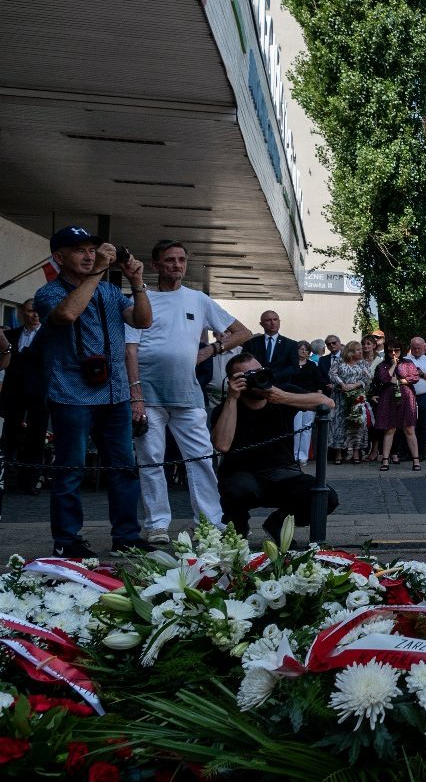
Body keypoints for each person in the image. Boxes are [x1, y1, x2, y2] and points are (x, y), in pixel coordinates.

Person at [34, 226, 154, 557]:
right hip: (71, 394)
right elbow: (68, 313)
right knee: (71, 471)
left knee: (123, 469)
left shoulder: (110, 292)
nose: (89, 255)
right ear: (59, 258)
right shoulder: (49, 294)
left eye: (92, 250)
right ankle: (67, 540)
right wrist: (100, 269)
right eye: (80, 250)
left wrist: (137, 283)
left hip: (115, 396)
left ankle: (127, 536)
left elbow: (142, 321)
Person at [123, 240, 252, 542]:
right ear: (156, 265)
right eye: (169, 260)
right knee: (151, 460)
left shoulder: (198, 299)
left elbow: (243, 332)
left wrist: (210, 351)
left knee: (201, 459)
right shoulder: (141, 299)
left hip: (188, 393)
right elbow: (130, 350)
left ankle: (209, 524)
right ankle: (156, 525)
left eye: (181, 260)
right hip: (149, 394)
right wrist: (135, 394)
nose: (177, 265)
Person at [212, 353, 337, 540]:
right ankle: (237, 528)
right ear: (233, 381)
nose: (256, 378)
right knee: (237, 489)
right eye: (248, 376)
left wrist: (284, 397)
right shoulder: (226, 408)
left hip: (283, 474)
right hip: (242, 476)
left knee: (326, 497)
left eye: (259, 371)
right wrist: (232, 398)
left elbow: (328, 403)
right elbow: (222, 445)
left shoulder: (281, 393)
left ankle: (278, 522)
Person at [1, 299, 49, 507]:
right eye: (30, 311)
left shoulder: (48, 335)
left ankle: (30, 481)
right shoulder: (11, 335)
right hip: (13, 395)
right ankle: (7, 478)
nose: (34, 315)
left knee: (36, 440)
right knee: (9, 437)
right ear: (23, 312)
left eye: (38, 312)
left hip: (39, 395)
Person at [371, 345, 422, 471]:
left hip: (406, 397)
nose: (394, 353)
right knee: (390, 428)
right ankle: (385, 460)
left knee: (409, 428)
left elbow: (415, 377)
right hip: (389, 399)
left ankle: (416, 460)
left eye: (397, 350)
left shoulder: (408, 363)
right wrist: (393, 365)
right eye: (391, 351)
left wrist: (401, 381)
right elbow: (384, 378)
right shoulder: (383, 365)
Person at [330, 341, 373, 464]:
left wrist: (355, 385)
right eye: (358, 350)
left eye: (361, 350)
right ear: (350, 351)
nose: (361, 352)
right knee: (339, 425)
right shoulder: (339, 361)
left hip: (356, 398)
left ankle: (356, 452)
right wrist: (342, 384)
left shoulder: (363, 363)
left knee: (357, 424)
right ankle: (338, 454)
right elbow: (332, 374)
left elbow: (368, 378)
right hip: (340, 397)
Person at [251, 311, 303, 385]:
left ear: (279, 322)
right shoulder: (252, 343)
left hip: (281, 386)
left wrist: (274, 375)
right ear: (261, 324)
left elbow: (294, 367)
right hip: (257, 384)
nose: (272, 323)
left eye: (275, 319)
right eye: (268, 320)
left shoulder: (290, 344)